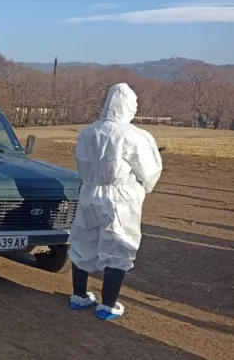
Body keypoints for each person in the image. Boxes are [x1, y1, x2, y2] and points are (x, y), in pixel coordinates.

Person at [68, 83, 163, 320]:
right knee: (120, 244)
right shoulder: (135, 136)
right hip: (120, 197)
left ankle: (79, 295)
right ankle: (108, 304)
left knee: (83, 240)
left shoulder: (88, 132)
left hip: (90, 192)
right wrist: (142, 188)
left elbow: (81, 162)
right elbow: (149, 171)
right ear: (129, 106)